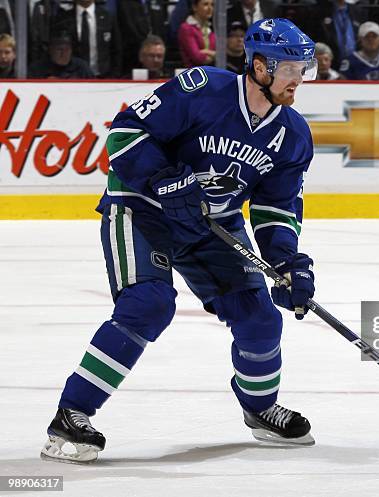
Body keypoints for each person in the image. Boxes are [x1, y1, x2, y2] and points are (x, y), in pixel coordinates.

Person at [40, 18, 318, 464]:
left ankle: (260, 408)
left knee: (261, 319)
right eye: (291, 69)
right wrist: (164, 179)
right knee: (148, 304)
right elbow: (125, 132)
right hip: (143, 210)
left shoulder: (293, 135)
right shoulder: (201, 88)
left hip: (212, 227)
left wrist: (288, 263)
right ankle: (71, 416)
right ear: (261, 66)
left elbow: (276, 209)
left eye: (304, 70)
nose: (299, 79)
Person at [53, 0, 122, 78]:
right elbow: (57, 51)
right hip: (73, 78)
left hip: (104, 77)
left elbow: (117, 49)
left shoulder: (108, 16)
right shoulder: (63, 18)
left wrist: (114, 75)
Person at [28, 30, 94, 79]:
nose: (63, 53)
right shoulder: (37, 69)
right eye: (59, 49)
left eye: (67, 49)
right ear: (50, 50)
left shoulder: (81, 67)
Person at [178, 0, 216, 67]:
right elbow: (197, 58)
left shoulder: (210, 28)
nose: (210, 8)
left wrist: (205, 51)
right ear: (194, 7)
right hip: (192, 72)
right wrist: (214, 54)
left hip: (210, 71)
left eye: (212, 5)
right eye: (205, 4)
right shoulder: (186, 28)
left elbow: (221, 55)